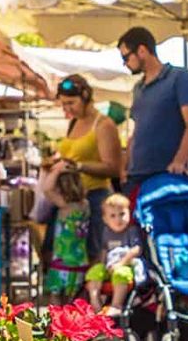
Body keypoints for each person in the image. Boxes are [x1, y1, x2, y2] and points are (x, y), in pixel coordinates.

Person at [117, 27, 188, 200]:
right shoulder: (138, 88)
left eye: (126, 57)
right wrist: (124, 166)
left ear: (142, 50)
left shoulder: (179, 78)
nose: (124, 63)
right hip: (136, 176)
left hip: (167, 174)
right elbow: (137, 130)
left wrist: (179, 160)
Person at [51, 74, 122, 258]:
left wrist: (80, 166)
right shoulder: (73, 123)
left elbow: (114, 167)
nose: (68, 109)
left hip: (95, 197)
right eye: (64, 104)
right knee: (65, 255)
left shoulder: (104, 125)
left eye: (71, 103)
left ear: (85, 97)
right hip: (70, 199)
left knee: (92, 254)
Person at [39, 160, 90, 305]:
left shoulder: (65, 205)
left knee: (56, 296)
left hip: (62, 259)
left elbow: (46, 188)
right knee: (74, 299)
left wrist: (55, 171)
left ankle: (55, 325)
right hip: (80, 259)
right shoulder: (86, 205)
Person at [85, 192, 142, 314]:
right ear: (105, 219)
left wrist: (121, 263)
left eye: (122, 214)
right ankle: (95, 302)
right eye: (113, 216)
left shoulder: (131, 231)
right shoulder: (106, 231)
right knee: (94, 272)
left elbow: (136, 249)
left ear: (129, 214)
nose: (118, 219)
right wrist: (101, 264)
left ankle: (117, 305)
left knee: (120, 274)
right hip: (109, 266)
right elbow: (105, 250)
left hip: (126, 265)